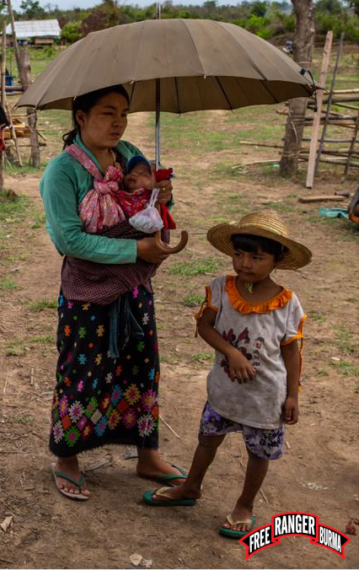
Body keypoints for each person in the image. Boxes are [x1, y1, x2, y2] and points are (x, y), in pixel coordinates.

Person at [39, 85, 186, 502]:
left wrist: (160, 197)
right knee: (80, 372)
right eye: (107, 113)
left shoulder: (129, 153)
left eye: (123, 112)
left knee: (142, 364)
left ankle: (147, 453)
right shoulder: (61, 173)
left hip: (134, 287)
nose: (118, 121)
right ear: (80, 117)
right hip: (87, 289)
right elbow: (69, 240)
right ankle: (67, 459)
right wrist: (136, 249)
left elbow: (146, 210)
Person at [144, 211, 309, 539]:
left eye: (257, 257)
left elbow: (292, 352)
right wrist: (231, 352)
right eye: (239, 254)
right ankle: (191, 486)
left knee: (258, 453)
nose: (245, 263)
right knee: (207, 440)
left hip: (265, 398)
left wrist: (292, 395)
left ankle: (245, 504)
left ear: (276, 260)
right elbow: (205, 326)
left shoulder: (288, 304)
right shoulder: (221, 288)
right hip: (224, 391)